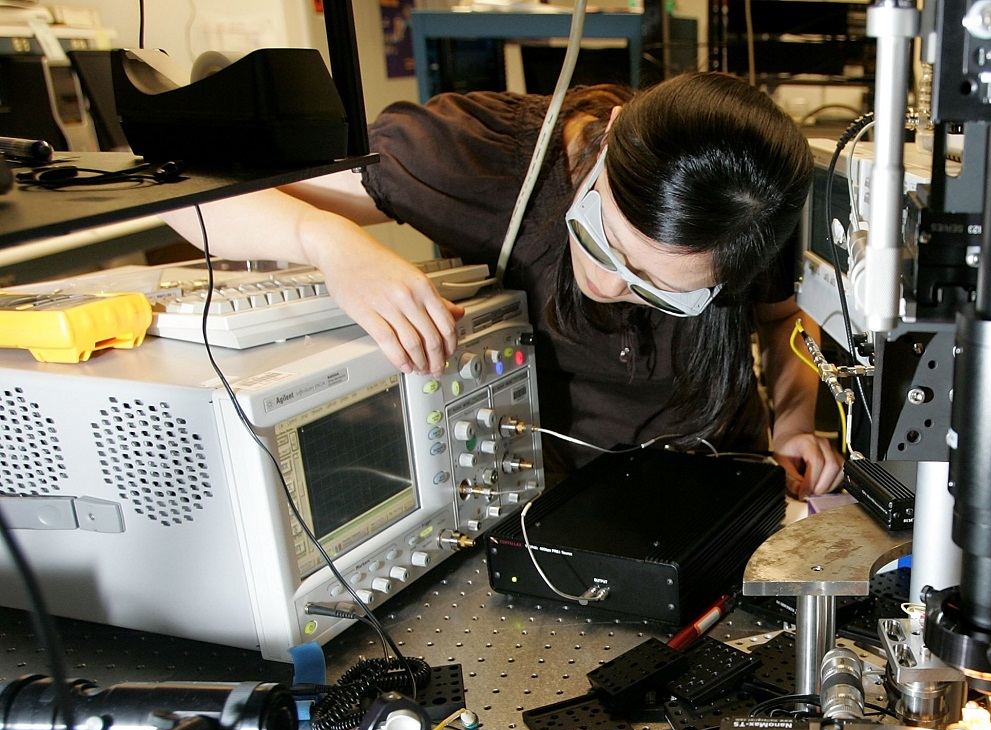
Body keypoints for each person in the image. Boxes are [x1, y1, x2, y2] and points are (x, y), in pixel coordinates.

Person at [163, 72, 843, 498]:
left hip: (723, 480)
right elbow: (181, 194)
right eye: (602, 236)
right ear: (608, 138)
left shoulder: (747, 205)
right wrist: (332, 244)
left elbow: (782, 320)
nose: (608, 285)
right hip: (550, 499)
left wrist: (790, 427)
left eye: (661, 290)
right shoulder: (485, 159)